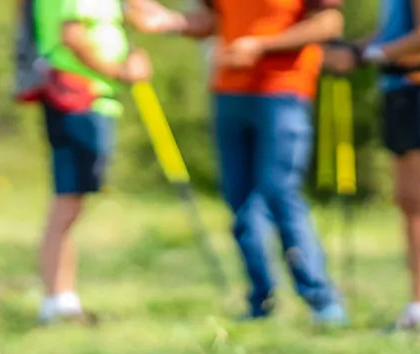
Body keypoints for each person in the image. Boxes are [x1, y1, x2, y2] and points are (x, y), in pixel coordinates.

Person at [130, 0, 350, 326]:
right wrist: (171, 21)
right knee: (239, 199)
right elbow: (214, 21)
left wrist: (262, 46)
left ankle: (321, 298)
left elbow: (329, 23)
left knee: (280, 193)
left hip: (283, 91)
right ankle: (261, 300)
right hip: (229, 90)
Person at [323, 0, 420, 332]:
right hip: (398, 90)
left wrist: (374, 54)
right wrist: (355, 52)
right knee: (407, 198)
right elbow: (391, 33)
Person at [32, 0, 153, 324]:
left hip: (89, 100)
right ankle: (57, 301)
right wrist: (121, 71)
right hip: (77, 99)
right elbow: (73, 35)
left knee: (73, 203)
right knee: (67, 202)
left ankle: (62, 297)